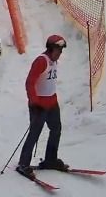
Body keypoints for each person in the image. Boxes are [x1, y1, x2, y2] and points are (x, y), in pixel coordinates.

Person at [18, 35, 67, 177]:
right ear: (51, 49)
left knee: (56, 129)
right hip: (39, 105)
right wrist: (34, 102)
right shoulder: (41, 61)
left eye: (61, 51)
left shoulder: (54, 61)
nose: (60, 54)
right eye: (58, 50)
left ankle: (50, 159)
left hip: (52, 103)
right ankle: (23, 164)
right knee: (34, 133)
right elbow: (29, 83)